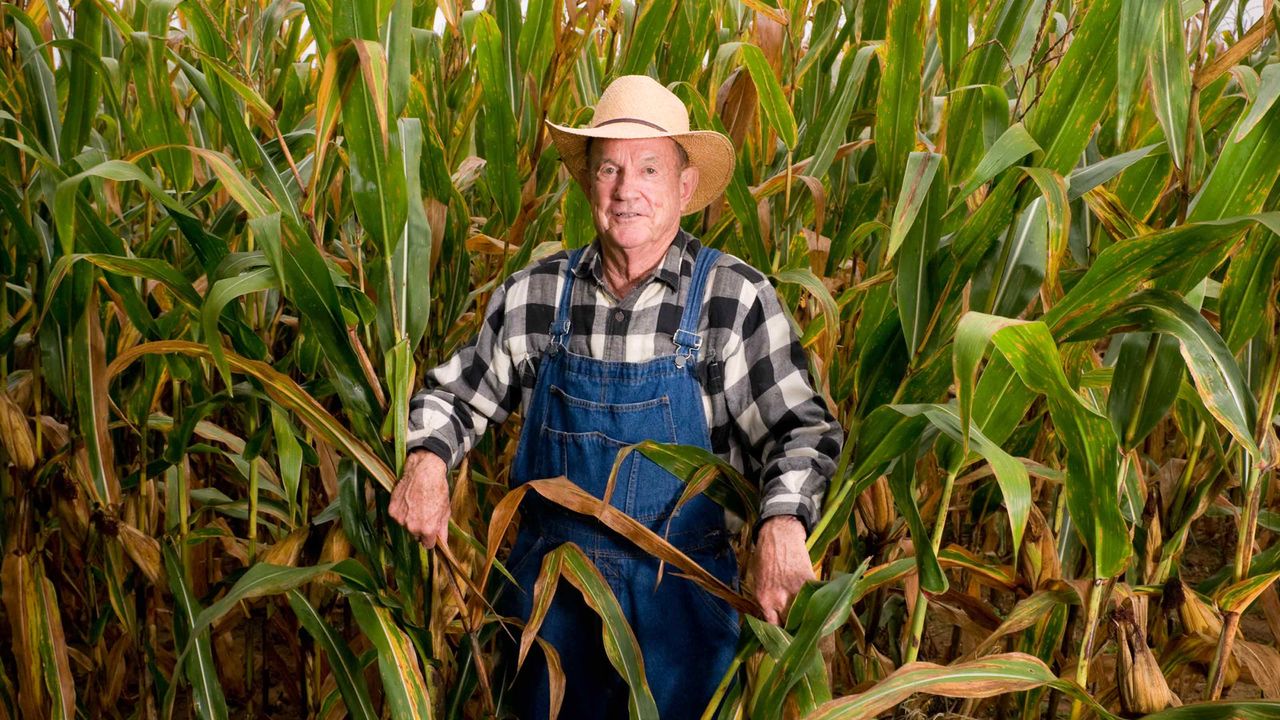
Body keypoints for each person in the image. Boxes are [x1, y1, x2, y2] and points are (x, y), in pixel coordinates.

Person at [390, 74, 841, 719]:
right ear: (587, 183)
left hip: (684, 613)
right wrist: (427, 461)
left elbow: (800, 428)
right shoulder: (534, 297)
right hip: (554, 613)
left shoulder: (733, 301)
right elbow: (457, 393)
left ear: (685, 189)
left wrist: (783, 523)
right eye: (610, 168)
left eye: (649, 168)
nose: (627, 189)